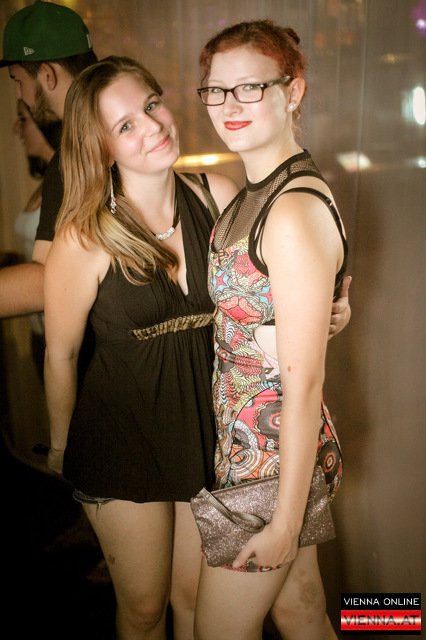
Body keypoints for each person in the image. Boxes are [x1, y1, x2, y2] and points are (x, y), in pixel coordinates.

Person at [43, 55, 349, 640]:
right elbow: (60, 354)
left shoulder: (217, 195)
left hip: (205, 434)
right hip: (121, 436)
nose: (152, 126)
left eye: (152, 105)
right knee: (143, 609)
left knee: (191, 598)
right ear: (101, 146)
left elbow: (269, 293)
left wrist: (335, 308)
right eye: (125, 125)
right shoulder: (84, 235)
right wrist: (60, 446)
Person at [193, 20, 348, 640]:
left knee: (216, 632)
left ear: (294, 91)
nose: (230, 105)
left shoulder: (290, 208)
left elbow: (304, 380)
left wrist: (284, 522)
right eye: (216, 90)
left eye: (251, 87)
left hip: (271, 460)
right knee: (301, 611)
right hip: (254, 447)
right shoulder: (254, 195)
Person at [0, 0, 97, 318]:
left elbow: (46, 281)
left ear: (47, 74)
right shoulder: (127, 134)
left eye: (19, 81)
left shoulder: (71, 160)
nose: (20, 96)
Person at [13, 99, 56, 380]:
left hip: (61, 337)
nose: (16, 129)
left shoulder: (69, 181)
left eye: (23, 119)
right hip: (38, 332)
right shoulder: (49, 179)